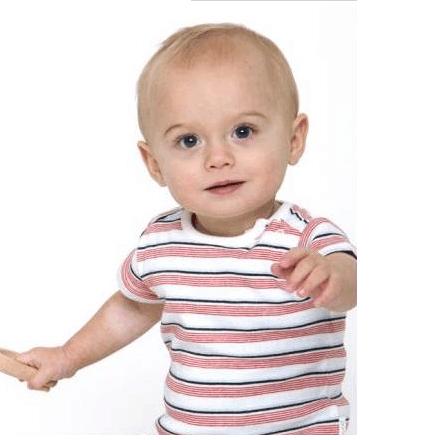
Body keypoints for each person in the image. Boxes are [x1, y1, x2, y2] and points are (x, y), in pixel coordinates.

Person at [17, 23, 357, 435]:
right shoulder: (161, 244)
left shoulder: (306, 238)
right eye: (189, 141)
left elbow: (352, 281)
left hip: (299, 429)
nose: (218, 157)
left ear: (293, 139)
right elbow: (130, 308)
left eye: (243, 132)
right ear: (154, 163)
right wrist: (67, 356)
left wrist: (331, 278)